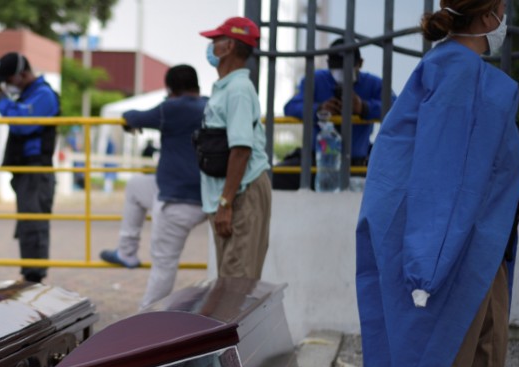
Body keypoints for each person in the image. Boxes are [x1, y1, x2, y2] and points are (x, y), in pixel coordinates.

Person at [355, 2, 519, 367]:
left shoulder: (459, 69)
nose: (505, 16)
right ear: (487, 18)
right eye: (500, 8)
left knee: (487, 333)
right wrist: (432, 248)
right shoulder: (458, 72)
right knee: (451, 333)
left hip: (481, 228)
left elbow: (498, 142)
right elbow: (444, 168)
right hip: (453, 230)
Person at [98, 65, 209, 308]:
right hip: (206, 196)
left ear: (170, 90)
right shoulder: (210, 105)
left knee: (163, 266)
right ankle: (126, 251)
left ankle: (147, 321)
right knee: (136, 186)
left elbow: (133, 116)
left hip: (177, 200)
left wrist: (130, 122)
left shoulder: (171, 108)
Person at [198, 17, 273, 280]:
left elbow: (241, 149)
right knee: (230, 280)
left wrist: (225, 204)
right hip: (233, 194)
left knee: (236, 284)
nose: (211, 46)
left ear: (228, 46)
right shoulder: (227, 88)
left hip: (240, 194)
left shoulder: (238, 90)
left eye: (215, 41)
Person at [0, 52, 60, 283]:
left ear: (23, 74)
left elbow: (23, 125)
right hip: (26, 172)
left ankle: (34, 278)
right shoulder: (29, 95)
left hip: (36, 170)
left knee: (34, 224)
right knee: (28, 225)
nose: (7, 86)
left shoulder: (44, 95)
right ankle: (30, 275)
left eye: (8, 80)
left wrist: (2, 103)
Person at [283, 38, 390, 166]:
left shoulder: (373, 84)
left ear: (360, 63)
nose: (341, 74)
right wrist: (319, 109)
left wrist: (364, 108)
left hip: (356, 163)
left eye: (346, 68)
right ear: (328, 64)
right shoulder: (315, 80)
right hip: (318, 161)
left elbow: (396, 107)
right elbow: (291, 107)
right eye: (336, 68)